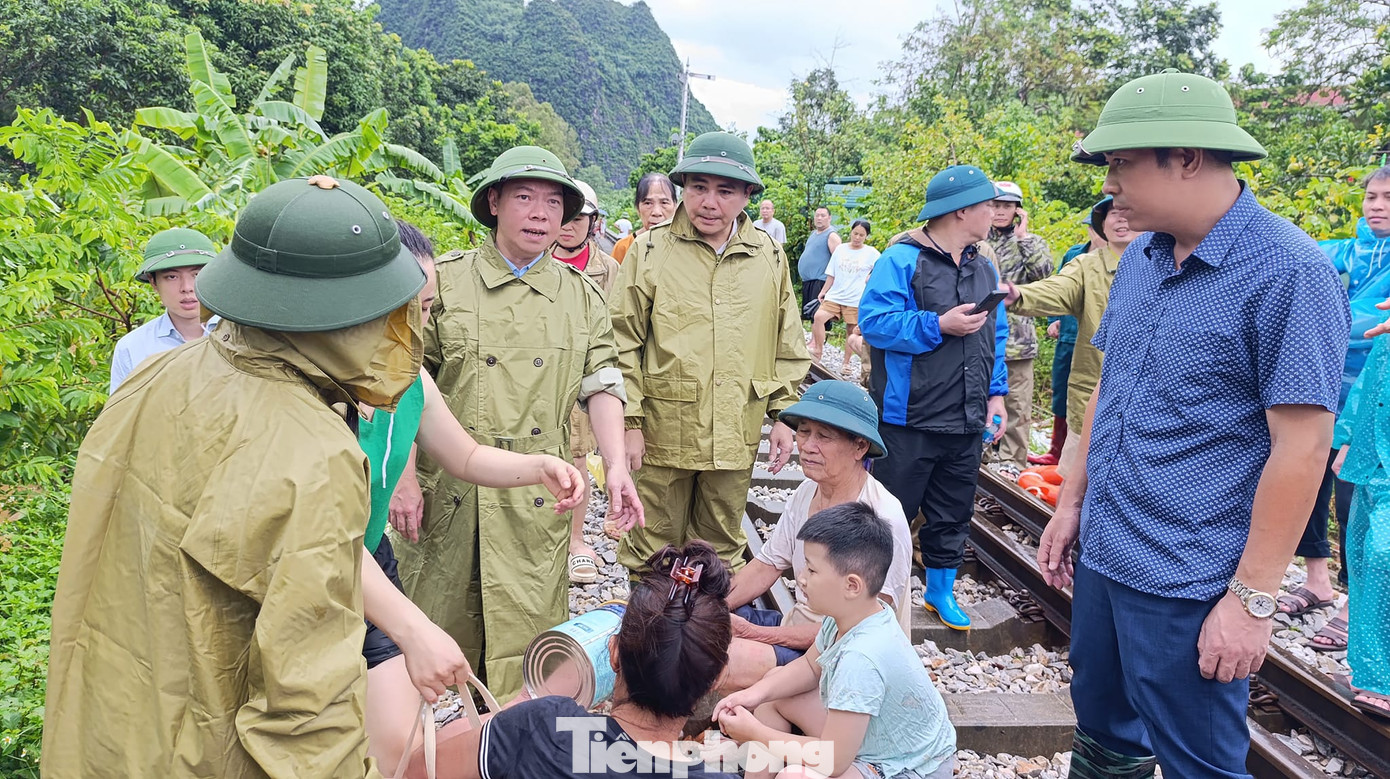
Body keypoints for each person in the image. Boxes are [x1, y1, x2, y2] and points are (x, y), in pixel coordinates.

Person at [43, 176, 428, 777]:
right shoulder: (313, 452)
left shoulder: (160, 374)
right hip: (210, 742)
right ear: (352, 317)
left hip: (114, 718)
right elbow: (307, 709)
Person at [1038, 70, 1350, 777]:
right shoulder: (1142, 258)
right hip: (1106, 548)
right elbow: (1109, 384)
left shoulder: (1289, 271)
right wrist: (1071, 499)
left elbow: (1302, 446)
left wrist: (1252, 600)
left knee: (1196, 759)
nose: (1110, 184)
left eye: (1122, 163)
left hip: (1186, 575)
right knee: (1104, 729)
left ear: (1186, 157)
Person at [392, 146, 642, 702]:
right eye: (524, 197)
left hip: (537, 491)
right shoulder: (444, 282)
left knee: (527, 635)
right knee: (431, 628)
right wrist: (403, 477)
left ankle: (506, 733)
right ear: (494, 202)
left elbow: (602, 382)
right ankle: (433, 731)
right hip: (448, 487)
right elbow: (403, 379)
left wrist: (616, 466)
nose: (539, 214)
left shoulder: (581, 297)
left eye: (553, 203)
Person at [358, 220, 588, 769]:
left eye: (428, 308)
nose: (419, 326)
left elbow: (464, 456)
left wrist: (538, 465)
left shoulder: (410, 377)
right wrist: (416, 630)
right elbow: (321, 539)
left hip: (368, 556)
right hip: (314, 567)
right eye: (406, 310)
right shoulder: (314, 394)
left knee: (396, 741)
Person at [610, 131, 810, 574]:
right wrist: (630, 422)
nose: (709, 202)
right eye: (699, 187)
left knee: (718, 547)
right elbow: (621, 339)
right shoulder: (650, 250)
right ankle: (652, 620)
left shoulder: (768, 255)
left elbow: (787, 341)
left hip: (736, 427)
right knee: (652, 546)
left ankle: (707, 619)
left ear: (747, 195)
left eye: (725, 191)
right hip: (664, 433)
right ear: (684, 188)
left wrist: (785, 415)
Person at [400, 541, 739, 779]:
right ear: (716, 678)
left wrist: (523, 701)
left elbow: (420, 769)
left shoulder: (543, 726)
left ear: (614, 653)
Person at [858, 164, 1010, 631]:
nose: (995, 213)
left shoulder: (984, 266)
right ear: (961, 210)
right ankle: (870, 595)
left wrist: (996, 395)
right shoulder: (901, 260)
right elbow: (874, 322)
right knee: (889, 512)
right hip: (909, 418)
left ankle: (939, 591)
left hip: (966, 417)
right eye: (988, 205)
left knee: (953, 510)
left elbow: (996, 336)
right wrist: (938, 324)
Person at [714, 503, 957, 779]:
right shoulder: (853, 615)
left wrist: (754, 732)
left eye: (812, 570)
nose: (801, 578)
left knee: (794, 776)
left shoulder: (861, 659)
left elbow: (833, 761)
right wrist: (752, 694)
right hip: (874, 740)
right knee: (773, 691)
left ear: (852, 586)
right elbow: (809, 667)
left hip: (907, 767)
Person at [720, 381, 912, 693]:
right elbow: (767, 564)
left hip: (842, 659)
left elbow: (858, 629)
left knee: (723, 659)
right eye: (804, 431)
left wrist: (757, 634)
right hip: (800, 632)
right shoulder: (807, 491)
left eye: (824, 436)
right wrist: (710, 607)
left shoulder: (883, 517)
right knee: (708, 626)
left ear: (860, 447)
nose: (808, 446)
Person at [1282, 167, 1390, 654]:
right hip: (1322, 385)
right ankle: (1317, 580)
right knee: (1303, 481)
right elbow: (1291, 260)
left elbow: (1363, 321)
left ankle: (1354, 604)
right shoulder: (1346, 251)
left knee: (1355, 499)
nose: (1377, 205)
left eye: (1388, 197)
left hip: (1375, 399)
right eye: (1371, 196)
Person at [1004, 196, 1133, 477]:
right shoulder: (1087, 265)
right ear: (1102, 225)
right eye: (1113, 214)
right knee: (1073, 485)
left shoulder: (1169, 264)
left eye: (1128, 212)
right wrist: (1019, 294)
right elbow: (1058, 288)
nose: (1121, 219)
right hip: (1090, 401)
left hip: (1145, 410)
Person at [549, 179, 624, 584]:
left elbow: (616, 330)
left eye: (579, 218)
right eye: (564, 215)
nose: (569, 225)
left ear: (593, 223)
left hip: (583, 378)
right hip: (539, 375)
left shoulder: (608, 269)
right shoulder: (535, 257)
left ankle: (576, 541)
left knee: (578, 458)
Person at [1327, 307, 1390, 720]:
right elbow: (1372, 375)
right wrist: (1347, 436)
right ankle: (1370, 672)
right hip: (1371, 455)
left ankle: (1382, 680)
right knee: (1364, 558)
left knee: (1384, 556)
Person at [986, 181, 1053, 472]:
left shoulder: (1031, 242)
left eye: (1007, 206)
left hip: (1018, 340)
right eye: (995, 205)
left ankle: (1012, 462)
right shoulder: (977, 240)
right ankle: (984, 454)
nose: (1000, 211)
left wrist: (1023, 237)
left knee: (1017, 406)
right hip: (982, 334)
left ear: (1017, 210)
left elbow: (1044, 275)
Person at [1027, 213, 1101, 466]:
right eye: (1092, 227)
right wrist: (1053, 320)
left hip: (1093, 338)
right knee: (1061, 390)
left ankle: (1079, 455)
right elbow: (1056, 287)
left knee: (1088, 394)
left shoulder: (1119, 259)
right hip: (1068, 334)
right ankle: (1056, 450)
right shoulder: (1075, 254)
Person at [109, 227, 220, 392]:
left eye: (196, 274)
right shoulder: (132, 347)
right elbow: (121, 407)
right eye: (172, 277)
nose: (187, 287)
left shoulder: (244, 335)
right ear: (153, 282)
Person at [809, 220, 880, 380]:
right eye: (855, 233)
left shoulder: (872, 253)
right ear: (851, 232)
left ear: (866, 236)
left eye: (861, 235)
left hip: (856, 298)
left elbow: (880, 270)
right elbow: (831, 273)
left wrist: (871, 278)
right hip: (836, 294)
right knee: (819, 317)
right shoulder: (840, 249)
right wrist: (824, 291)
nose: (857, 237)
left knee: (851, 330)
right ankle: (818, 351)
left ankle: (846, 363)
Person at [611, 172, 677, 263]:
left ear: (675, 207)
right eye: (648, 203)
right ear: (637, 208)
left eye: (664, 203)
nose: (656, 212)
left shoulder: (684, 247)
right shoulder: (624, 247)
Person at [798, 206, 842, 317]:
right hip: (809, 281)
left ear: (829, 218)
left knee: (819, 317)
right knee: (810, 315)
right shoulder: (813, 234)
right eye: (817, 215)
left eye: (823, 216)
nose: (819, 218)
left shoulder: (832, 235)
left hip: (821, 282)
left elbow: (838, 261)